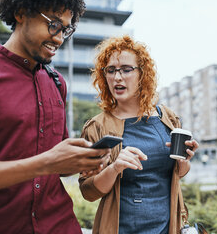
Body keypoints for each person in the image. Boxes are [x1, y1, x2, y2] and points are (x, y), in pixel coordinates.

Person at [0, 0, 111, 233]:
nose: (59, 38)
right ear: (21, 12)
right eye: (54, 24)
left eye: (66, 29)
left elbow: (57, 164)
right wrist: (45, 162)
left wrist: (81, 160)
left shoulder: (57, 82)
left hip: (61, 225)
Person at [79, 35, 199, 234]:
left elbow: (180, 173)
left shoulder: (167, 118)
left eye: (126, 69)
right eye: (111, 70)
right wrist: (115, 168)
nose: (117, 77)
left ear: (142, 74)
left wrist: (184, 160)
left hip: (167, 228)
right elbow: (88, 192)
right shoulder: (96, 127)